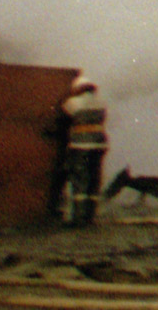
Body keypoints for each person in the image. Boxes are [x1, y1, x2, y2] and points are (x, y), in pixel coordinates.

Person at [59, 80, 107, 228]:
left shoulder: (73, 102)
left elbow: (63, 119)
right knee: (94, 180)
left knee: (80, 179)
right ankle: (90, 217)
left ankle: (78, 218)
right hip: (99, 145)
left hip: (80, 146)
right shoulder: (101, 102)